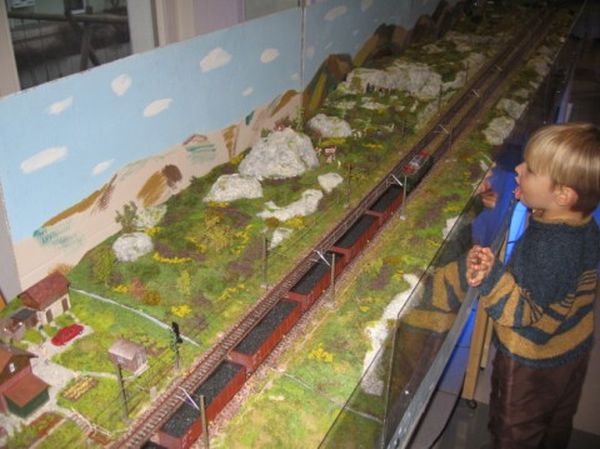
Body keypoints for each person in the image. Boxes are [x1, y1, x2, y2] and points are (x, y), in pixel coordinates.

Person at [466, 122, 600, 449]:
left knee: (514, 430)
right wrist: (536, 204)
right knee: (556, 421)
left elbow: (522, 312)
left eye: (530, 169)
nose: (518, 169)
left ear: (563, 194)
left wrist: (490, 277)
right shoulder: (580, 222)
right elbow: (562, 278)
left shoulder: (550, 247)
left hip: (530, 361)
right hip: (571, 346)